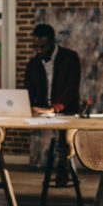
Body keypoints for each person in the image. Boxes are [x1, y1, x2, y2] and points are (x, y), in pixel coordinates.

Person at [25, 24, 81, 170]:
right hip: (41, 111)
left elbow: (72, 89)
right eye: (35, 46)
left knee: (67, 142)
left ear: (52, 42)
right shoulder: (33, 64)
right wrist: (27, 107)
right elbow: (28, 90)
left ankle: (64, 169)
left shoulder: (70, 58)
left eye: (43, 46)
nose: (39, 50)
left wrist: (53, 109)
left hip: (67, 110)